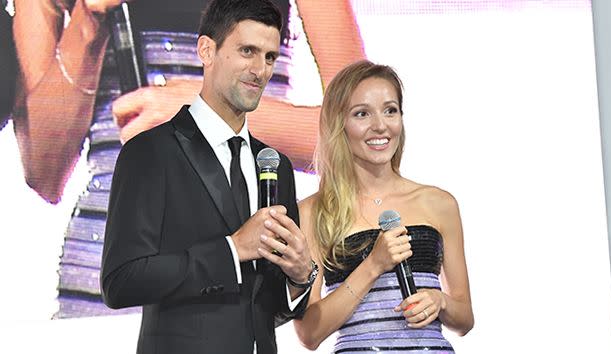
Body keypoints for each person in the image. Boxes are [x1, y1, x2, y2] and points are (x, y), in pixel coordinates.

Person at [11, 0, 364, 318]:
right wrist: (87, 22)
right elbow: (43, 171)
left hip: (239, 281)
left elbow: (360, 135)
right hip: (110, 283)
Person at [100, 1, 317, 353]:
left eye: (270, 57)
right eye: (247, 51)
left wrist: (299, 276)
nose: (260, 70)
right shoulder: (150, 151)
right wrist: (232, 250)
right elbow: (120, 281)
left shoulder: (275, 165)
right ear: (206, 50)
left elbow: (268, 306)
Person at [294, 60, 474, 353]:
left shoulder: (439, 204)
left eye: (390, 110)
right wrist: (374, 264)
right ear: (338, 124)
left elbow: (464, 317)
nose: (380, 125)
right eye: (362, 114)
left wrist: (440, 301)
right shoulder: (313, 213)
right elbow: (309, 333)